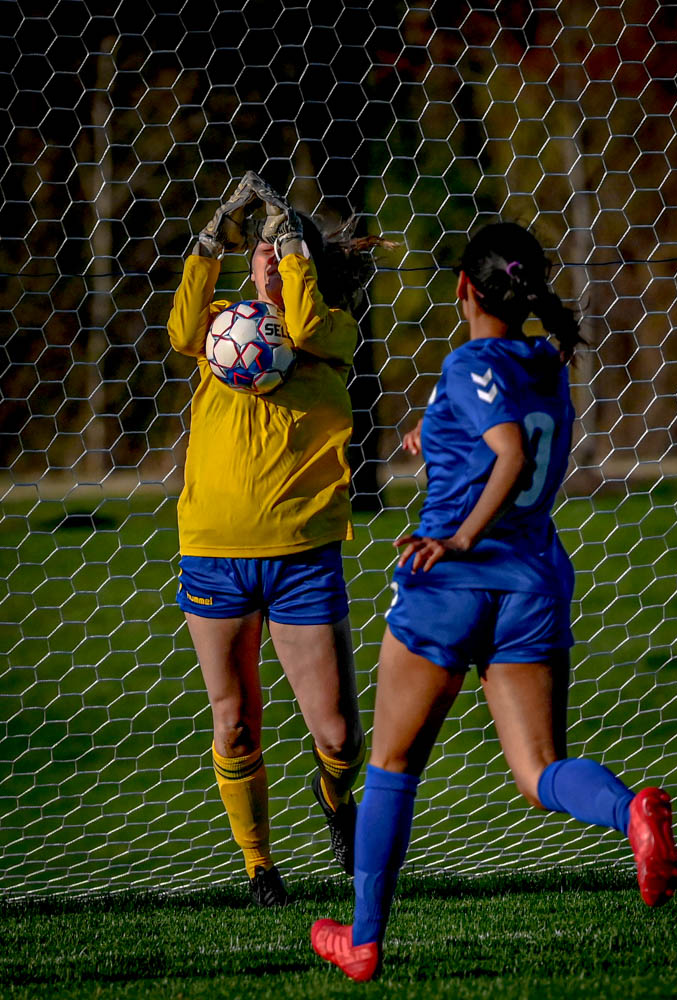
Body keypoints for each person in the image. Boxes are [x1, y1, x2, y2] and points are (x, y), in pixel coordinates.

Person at [311, 221, 677, 979]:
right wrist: (434, 432)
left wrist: (455, 541)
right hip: (533, 584)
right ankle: (632, 811)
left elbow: (508, 452)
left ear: (464, 289)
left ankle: (364, 939)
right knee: (539, 770)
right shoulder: (548, 362)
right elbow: (503, 430)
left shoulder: (469, 359)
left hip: (453, 584)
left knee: (390, 765)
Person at [167, 172, 386, 905]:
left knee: (341, 737)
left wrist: (291, 243)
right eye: (261, 251)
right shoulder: (220, 330)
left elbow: (314, 323)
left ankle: (332, 795)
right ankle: (259, 864)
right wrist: (213, 234)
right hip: (213, 552)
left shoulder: (328, 337)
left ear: (303, 266)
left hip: (300, 559)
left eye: (281, 251)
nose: (266, 258)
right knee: (233, 724)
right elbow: (177, 327)